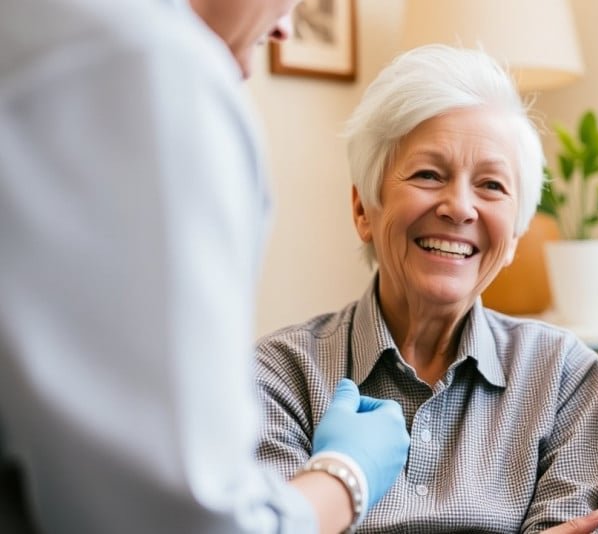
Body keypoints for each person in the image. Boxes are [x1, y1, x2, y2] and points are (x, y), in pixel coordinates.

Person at [0, 0, 410, 532]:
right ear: (363, 209)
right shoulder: (145, 65)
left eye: (493, 185)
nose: (285, 28)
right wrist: (346, 477)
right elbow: (186, 521)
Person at [254, 44, 598, 533]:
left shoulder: (563, 378)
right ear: (363, 210)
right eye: (428, 174)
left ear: (514, 237)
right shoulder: (279, 377)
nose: (459, 207)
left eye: (491, 185)